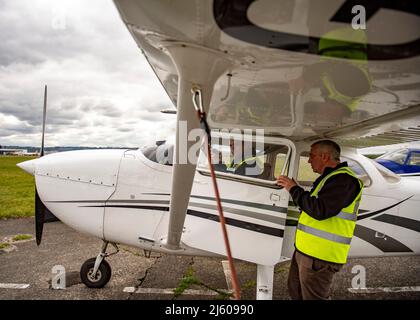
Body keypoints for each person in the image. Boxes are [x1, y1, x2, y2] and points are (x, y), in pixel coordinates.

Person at [276, 140, 363, 300]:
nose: (308, 160)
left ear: (324, 156)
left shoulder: (343, 180)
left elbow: (319, 210)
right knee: (297, 293)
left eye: (311, 155)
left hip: (320, 257)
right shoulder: (329, 178)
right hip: (306, 252)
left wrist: (293, 189)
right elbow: (312, 206)